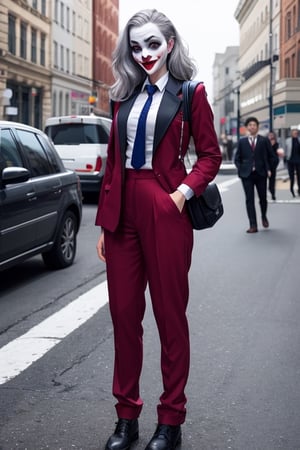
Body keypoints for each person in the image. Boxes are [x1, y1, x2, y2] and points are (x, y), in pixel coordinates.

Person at [95, 9, 222, 450]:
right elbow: (114, 162)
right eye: (135, 46)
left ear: (169, 43)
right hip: (122, 211)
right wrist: (105, 222)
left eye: (152, 43)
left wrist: (182, 195)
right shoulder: (122, 95)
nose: (144, 53)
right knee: (124, 316)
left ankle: (170, 420)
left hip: (165, 205)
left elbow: (210, 155)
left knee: (170, 316)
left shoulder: (192, 93)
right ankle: (126, 417)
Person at [234, 117, 276, 233]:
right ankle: (253, 225)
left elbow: (272, 156)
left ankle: (263, 216)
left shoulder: (264, 141)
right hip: (246, 175)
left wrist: (269, 169)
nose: (252, 126)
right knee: (249, 200)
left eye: (254, 125)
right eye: (250, 125)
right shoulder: (242, 142)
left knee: (263, 198)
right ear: (247, 127)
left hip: (261, 173)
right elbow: (237, 159)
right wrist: (241, 169)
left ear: (257, 127)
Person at [284, 126, 300, 197]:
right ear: (291, 133)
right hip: (290, 160)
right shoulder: (287, 140)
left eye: (296, 131)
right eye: (294, 131)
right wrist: (285, 158)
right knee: (292, 177)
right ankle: (292, 190)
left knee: (299, 176)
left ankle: (299, 190)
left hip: (298, 160)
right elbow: (285, 150)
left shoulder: (299, 140)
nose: (295, 132)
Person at [267, 131, 280, 200]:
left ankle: (273, 193)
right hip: (266, 163)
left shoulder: (276, 144)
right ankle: (268, 189)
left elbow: (277, 154)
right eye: (270, 135)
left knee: (272, 179)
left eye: (272, 135)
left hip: (273, 164)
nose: (271, 136)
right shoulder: (266, 143)